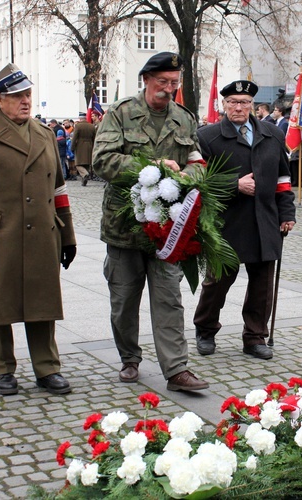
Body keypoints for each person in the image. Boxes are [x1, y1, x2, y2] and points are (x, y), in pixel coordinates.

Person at [0, 63, 77, 395]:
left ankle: (47, 368)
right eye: (16, 96)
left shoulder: (45, 134)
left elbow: (59, 190)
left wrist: (68, 237)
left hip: (42, 233)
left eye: (27, 94)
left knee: (43, 304)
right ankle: (2, 368)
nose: (25, 101)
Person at [91, 51, 209, 392]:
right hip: (125, 226)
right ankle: (130, 358)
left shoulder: (184, 118)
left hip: (168, 229)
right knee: (124, 299)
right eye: (163, 82)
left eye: (174, 83)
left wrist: (188, 175)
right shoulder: (120, 113)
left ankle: (176, 370)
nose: (169, 89)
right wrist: (153, 167)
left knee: (169, 297)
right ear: (146, 80)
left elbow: (197, 160)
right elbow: (103, 161)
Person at [193, 80, 296, 360]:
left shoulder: (272, 133)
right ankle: (205, 329)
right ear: (223, 105)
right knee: (217, 283)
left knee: (262, 285)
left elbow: (283, 178)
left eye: (245, 102)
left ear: (252, 105)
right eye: (233, 102)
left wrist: (287, 213)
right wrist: (233, 185)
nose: (239, 107)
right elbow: (196, 180)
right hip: (226, 222)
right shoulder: (208, 136)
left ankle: (254, 336)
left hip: (265, 219)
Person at [70, 115, 97, 186]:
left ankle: (85, 174)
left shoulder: (78, 126)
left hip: (80, 146)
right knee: (87, 163)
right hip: (90, 146)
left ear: (80, 119)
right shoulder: (92, 126)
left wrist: (72, 147)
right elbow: (95, 137)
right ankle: (84, 181)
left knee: (78, 164)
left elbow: (74, 137)